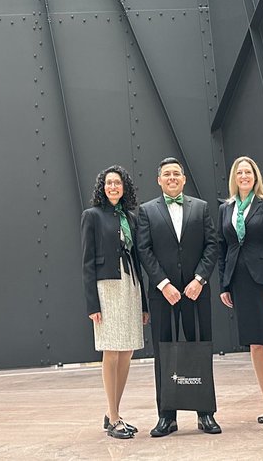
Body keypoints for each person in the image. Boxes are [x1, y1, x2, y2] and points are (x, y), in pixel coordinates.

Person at [135, 157, 221, 437]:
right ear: (159, 180)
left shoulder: (201, 207)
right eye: (166, 174)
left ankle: (205, 413)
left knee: (200, 348)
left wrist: (199, 279)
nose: (172, 178)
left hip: (196, 292)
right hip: (164, 295)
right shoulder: (146, 211)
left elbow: (212, 245)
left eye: (176, 174)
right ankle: (166, 417)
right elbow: (144, 250)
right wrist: (163, 284)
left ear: (183, 179)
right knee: (164, 354)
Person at [217, 156, 263, 427]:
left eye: (248, 172)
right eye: (240, 173)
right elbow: (223, 249)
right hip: (239, 282)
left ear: (255, 176)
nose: (244, 176)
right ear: (234, 178)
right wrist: (224, 284)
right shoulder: (226, 208)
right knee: (255, 344)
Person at [81, 166, 149, 439]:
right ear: (102, 187)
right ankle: (114, 416)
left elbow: (138, 260)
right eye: (108, 183)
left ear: (124, 188)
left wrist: (143, 303)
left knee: (128, 350)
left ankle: (114, 414)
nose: (113, 187)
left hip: (130, 285)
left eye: (117, 183)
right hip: (107, 288)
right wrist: (92, 305)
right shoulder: (92, 216)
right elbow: (86, 262)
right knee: (111, 351)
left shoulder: (131, 217)